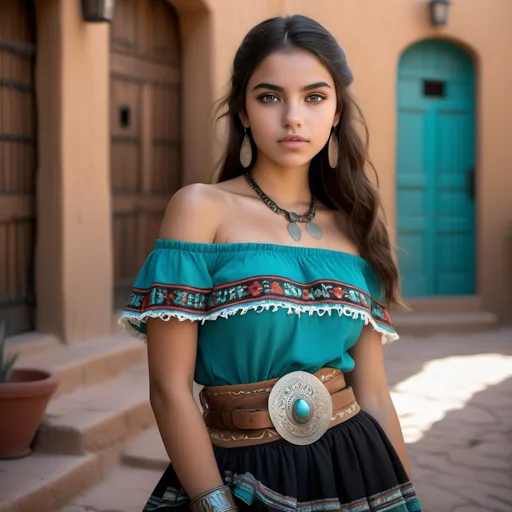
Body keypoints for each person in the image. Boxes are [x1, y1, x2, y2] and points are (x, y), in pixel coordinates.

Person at [120, 14, 422, 512]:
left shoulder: (357, 227)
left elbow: (373, 392)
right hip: (238, 473)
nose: (293, 118)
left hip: (357, 467)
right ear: (242, 111)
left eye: (314, 96)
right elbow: (169, 388)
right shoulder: (200, 210)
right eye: (269, 97)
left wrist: (406, 501)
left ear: (338, 110)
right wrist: (213, 502)